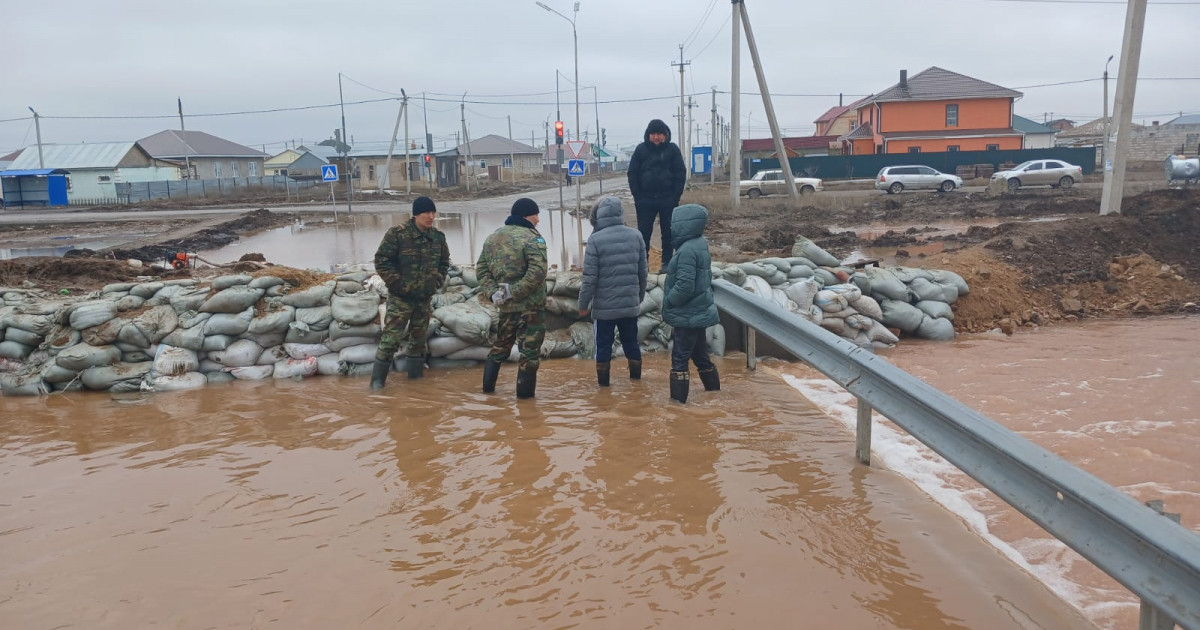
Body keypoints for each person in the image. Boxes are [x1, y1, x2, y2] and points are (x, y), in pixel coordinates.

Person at [370, 196, 450, 390]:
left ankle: (416, 384)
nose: (431, 217)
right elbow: (382, 261)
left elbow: (444, 263)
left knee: (418, 341)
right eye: (426, 213)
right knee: (390, 340)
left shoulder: (437, 238)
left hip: (424, 299)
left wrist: (436, 282)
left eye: (433, 213)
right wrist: (398, 284)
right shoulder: (398, 234)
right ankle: (376, 385)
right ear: (416, 214)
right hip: (401, 299)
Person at [478, 198, 548, 399]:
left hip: (505, 307)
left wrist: (493, 292)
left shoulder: (493, 238)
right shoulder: (533, 238)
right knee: (529, 355)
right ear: (526, 216)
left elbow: (482, 269)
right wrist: (514, 292)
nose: (538, 220)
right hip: (531, 309)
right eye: (536, 215)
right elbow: (537, 273)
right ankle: (526, 406)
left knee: (500, 347)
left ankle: (487, 392)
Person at [577, 196, 648, 387]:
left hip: (604, 309)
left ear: (598, 215)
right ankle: (636, 381)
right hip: (629, 306)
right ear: (620, 213)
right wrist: (638, 298)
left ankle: (604, 389)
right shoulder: (636, 236)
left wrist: (582, 305)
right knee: (631, 343)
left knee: (603, 347)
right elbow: (643, 272)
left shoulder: (595, 240)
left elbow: (589, 278)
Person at [661, 203, 720, 404]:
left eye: (673, 224)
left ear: (683, 224)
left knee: (679, 359)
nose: (671, 228)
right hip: (697, 311)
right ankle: (714, 394)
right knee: (700, 355)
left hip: (688, 313)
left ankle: (677, 406)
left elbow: (685, 286)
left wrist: (669, 300)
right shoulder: (699, 243)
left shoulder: (686, 250)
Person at [627, 118, 686, 270]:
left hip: (668, 199)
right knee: (643, 234)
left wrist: (675, 197)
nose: (656, 137)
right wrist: (637, 197)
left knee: (668, 233)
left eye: (659, 133)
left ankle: (667, 263)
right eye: (653, 134)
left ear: (665, 135)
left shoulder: (672, 150)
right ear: (648, 135)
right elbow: (632, 173)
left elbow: (680, 173)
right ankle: (643, 264)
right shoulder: (641, 150)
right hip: (645, 200)